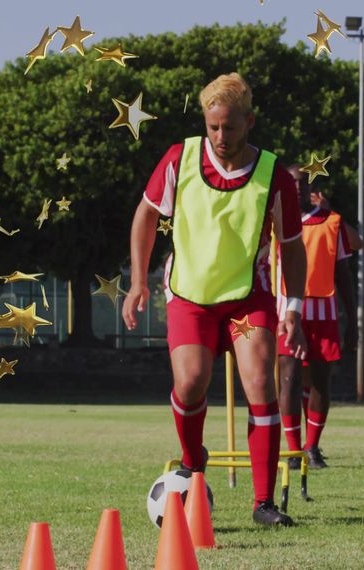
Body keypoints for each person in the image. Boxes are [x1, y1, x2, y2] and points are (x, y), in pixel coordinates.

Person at [123, 73, 307, 526]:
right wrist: (139, 281)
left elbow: (293, 245)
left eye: (230, 126)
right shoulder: (179, 158)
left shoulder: (275, 176)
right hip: (190, 297)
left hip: (246, 301)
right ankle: (193, 461)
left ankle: (263, 503)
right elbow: (146, 214)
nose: (221, 137)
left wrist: (293, 310)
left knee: (261, 383)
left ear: (250, 121)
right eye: (213, 127)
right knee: (190, 382)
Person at [277, 169, 361, 469]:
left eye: (302, 184)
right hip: (284, 313)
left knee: (321, 384)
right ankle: (292, 450)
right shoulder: (273, 220)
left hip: (324, 314)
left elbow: (345, 272)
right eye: (292, 183)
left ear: (310, 188)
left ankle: (311, 447)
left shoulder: (330, 222)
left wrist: (352, 319)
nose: (297, 188)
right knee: (288, 379)